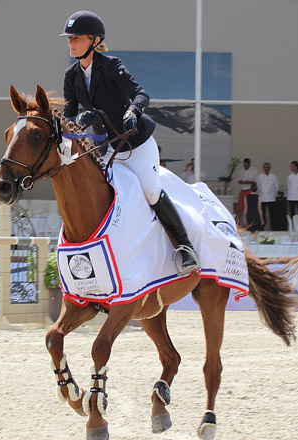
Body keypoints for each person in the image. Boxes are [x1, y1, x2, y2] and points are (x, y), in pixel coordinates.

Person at [59, 10, 198, 276]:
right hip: (106, 146)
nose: (70, 43)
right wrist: (78, 123)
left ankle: (185, 247)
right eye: (69, 39)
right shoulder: (71, 75)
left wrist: (132, 111)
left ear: (94, 40)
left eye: (76, 38)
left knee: (149, 192)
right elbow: (68, 118)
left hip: (136, 142)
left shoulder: (110, 65)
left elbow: (140, 93)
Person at [256, 162, 279, 230]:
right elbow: (258, 186)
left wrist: (273, 194)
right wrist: (262, 193)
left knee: (272, 215)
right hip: (263, 198)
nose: (266, 169)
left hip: (271, 198)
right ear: (263, 168)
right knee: (262, 215)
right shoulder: (260, 176)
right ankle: (261, 228)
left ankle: (273, 228)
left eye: (267, 167)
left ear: (270, 168)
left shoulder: (273, 177)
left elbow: (276, 187)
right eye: (265, 167)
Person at [236, 158, 257, 225]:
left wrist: (249, 182)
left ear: (249, 164)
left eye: (247, 165)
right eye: (244, 165)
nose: (245, 167)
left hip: (249, 191)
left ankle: (250, 224)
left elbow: (256, 182)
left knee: (249, 208)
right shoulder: (241, 170)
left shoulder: (254, 171)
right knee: (239, 208)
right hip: (242, 191)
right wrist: (243, 182)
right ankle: (236, 224)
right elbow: (239, 180)